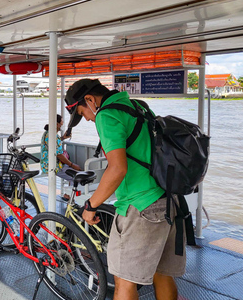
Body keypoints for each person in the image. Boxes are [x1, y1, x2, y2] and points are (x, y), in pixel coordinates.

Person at [65, 79, 184, 300]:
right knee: (162, 274)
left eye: (82, 113)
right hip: (168, 199)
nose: (88, 119)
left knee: (124, 281)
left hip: (141, 206)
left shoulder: (106, 115)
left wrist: (91, 205)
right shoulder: (137, 106)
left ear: (90, 100)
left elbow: (117, 168)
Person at [40, 114, 81, 201]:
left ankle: (68, 195)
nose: (62, 124)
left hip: (47, 164)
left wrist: (63, 138)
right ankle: (69, 196)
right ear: (57, 124)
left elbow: (53, 145)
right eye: (61, 122)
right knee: (76, 176)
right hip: (53, 166)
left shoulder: (47, 133)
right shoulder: (53, 136)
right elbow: (59, 154)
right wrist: (72, 165)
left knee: (73, 173)